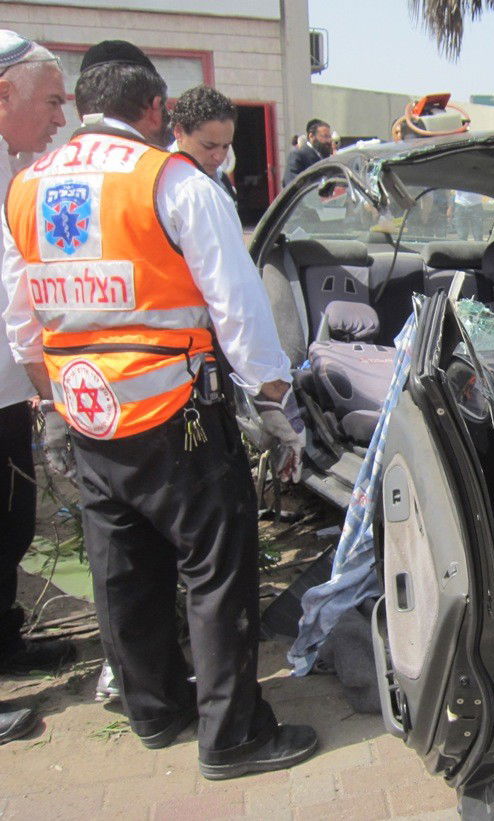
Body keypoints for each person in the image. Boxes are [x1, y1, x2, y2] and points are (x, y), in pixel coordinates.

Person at [1, 40, 317, 778]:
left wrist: (49, 405)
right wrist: (274, 400)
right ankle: (232, 736)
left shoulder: (28, 185)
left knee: (122, 566)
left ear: (82, 105)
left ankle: (153, 710)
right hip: (178, 417)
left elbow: (21, 318)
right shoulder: (170, 181)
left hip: (88, 415)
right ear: (155, 109)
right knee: (215, 568)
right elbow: (237, 309)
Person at [0, 30, 73, 745]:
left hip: (7, 389)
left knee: (12, 524)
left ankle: (6, 644)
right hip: (15, 376)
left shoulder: (16, 167)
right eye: (52, 102)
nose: (59, 118)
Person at [171, 85, 237, 201]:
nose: (219, 157)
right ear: (179, 132)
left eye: (225, 146)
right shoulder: (160, 183)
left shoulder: (222, 181)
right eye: (209, 146)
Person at [282, 118, 332, 185]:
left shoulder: (324, 156)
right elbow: (291, 183)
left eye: (329, 137)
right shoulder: (297, 155)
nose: (329, 141)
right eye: (325, 136)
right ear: (311, 136)